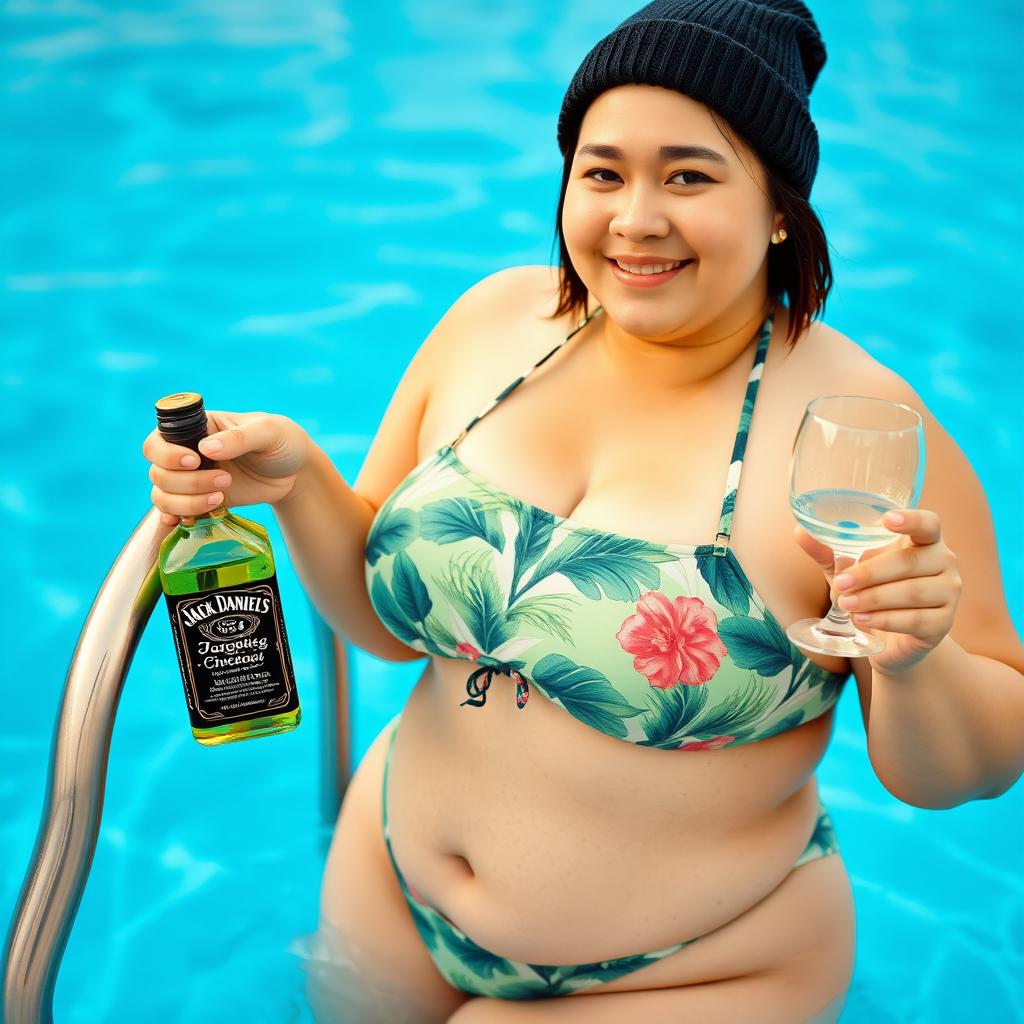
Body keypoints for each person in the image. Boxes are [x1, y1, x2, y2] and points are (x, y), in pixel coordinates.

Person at [143, 1, 1024, 1020]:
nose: (634, 219)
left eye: (688, 175)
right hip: (390, 882)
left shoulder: (854, 429)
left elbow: (974, 766)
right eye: (602, 172)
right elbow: (385, 632)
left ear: (780, 206)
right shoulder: (494, 322)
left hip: (699, 967)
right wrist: (296, 486)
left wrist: (915, 659)